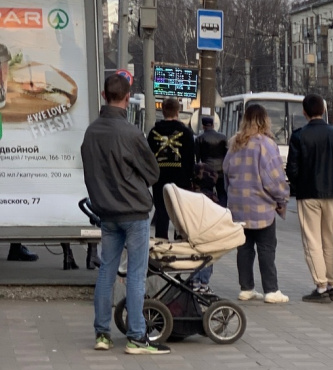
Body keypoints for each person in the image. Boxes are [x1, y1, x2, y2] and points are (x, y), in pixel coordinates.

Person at [80, 74, 169, 354]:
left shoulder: (91, 132)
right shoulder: (131, 133)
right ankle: (136, 337)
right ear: (127, 97)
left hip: (106, 211)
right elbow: (153, 173)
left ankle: (102, 334)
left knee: (106, 270)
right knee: (135, 274)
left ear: (104, 95)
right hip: (134, 211)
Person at [286, 93, 333, 303]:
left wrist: (297, 187)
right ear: (324, 111)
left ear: (304, 113)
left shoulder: (298, 136)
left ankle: (321, 287)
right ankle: (332, 285)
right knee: (329, 240)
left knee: (312, 241)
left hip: (308, 194)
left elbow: (292, 169)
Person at [224, 104, 291, 304]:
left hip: (238, 206)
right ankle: (271, 290)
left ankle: (246, 288)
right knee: (266, 247)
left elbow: (226, 173)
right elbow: (274, 178)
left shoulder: (234, 143)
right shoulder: (266, 144)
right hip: (262, 208)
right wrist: (282, 198)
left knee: (244, 248)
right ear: (264, 120)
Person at [148, 98, 195, 240]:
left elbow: (148, 157)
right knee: (180, 212)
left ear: (162, 111)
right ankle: (180, 240)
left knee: (162, 212)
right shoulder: (186, 133)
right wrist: (189, 178)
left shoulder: (153, 132)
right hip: (180, 179)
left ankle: (161, 243)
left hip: (159, 179)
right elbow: (190, 158)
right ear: (177, 111)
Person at [189, 162, 219, 294]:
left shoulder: (189, 196)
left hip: (193, 234)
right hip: (208, 235)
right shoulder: (212, 198)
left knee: (194, 257)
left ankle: (194, 280)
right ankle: (204, 283)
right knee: (207, 258)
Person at [195, 116, 229, 207]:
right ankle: (223, 210)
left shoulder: (199, 138)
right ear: (213, 125)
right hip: (221, 170)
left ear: (203, 126)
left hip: (207, 171)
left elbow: (197, 157)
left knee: (207, 193)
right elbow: (227, 154)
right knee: (222, 193)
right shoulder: (223, 137)